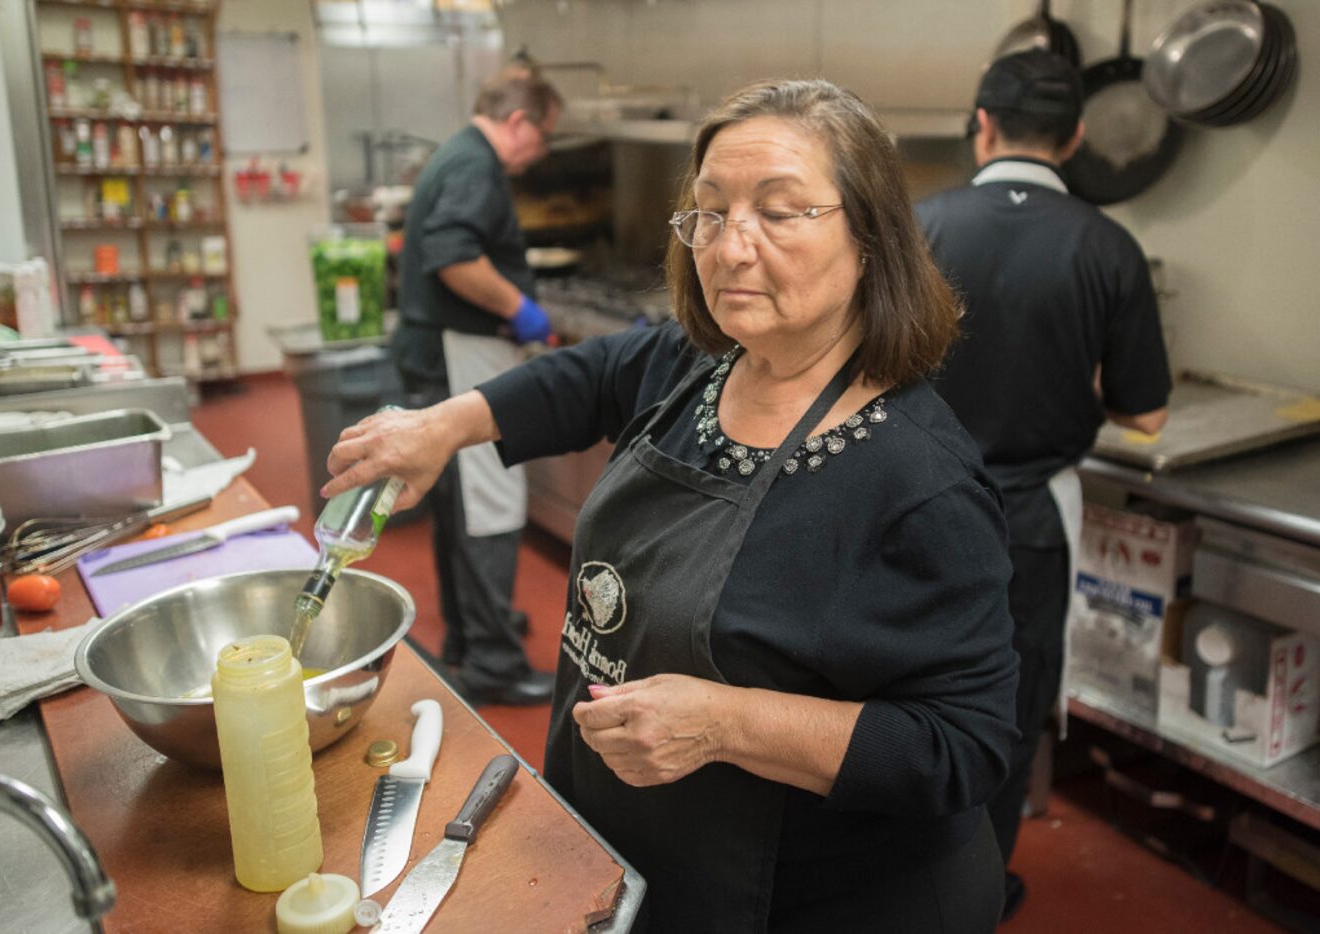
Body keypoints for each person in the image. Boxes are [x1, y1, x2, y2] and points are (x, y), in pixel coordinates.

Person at [327, 78, 1019, 931]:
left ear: (870, 236)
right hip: (644, 849)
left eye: (778, 211)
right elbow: (584, 377)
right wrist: (443, 426)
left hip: (814, 899)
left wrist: (728, 722)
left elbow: (963, 747)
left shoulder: (919, 483)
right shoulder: (703, 361)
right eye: (710, 212)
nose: (730, 247)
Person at [917, 50, 1172, 920]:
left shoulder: (919, 226)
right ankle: (975, 892)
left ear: (980, 126)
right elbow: (1147, 418)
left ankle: (886, 876)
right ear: (1074, 137)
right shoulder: (1108, 244)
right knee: (1003, 712)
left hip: (904, 505)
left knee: (894, 693)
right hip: (1026, 526)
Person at [391, 68, 563, 706]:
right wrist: (520, 308)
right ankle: (492, 662)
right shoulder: (477, 164)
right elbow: (454, 255)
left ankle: (471, 634)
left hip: (440, 350)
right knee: (488, 502)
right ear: (518, 121)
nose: (537, 155)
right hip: (458, 354)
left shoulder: (456, 152)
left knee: (459, 504)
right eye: (541, 139)